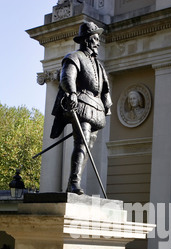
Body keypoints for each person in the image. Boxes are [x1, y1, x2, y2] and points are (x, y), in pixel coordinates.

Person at [51, 22, 112, 194]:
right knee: (81, 143)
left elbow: (105, 88)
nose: (98, 42)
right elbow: (66, 76)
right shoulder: (74, 57)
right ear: (87, 40)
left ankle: (71, 183)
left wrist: (107, 104)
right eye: (95, 39)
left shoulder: (99, 65)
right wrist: (71, 92)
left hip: (96, 107)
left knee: (88, 145)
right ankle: (74, 182)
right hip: (81, 103)